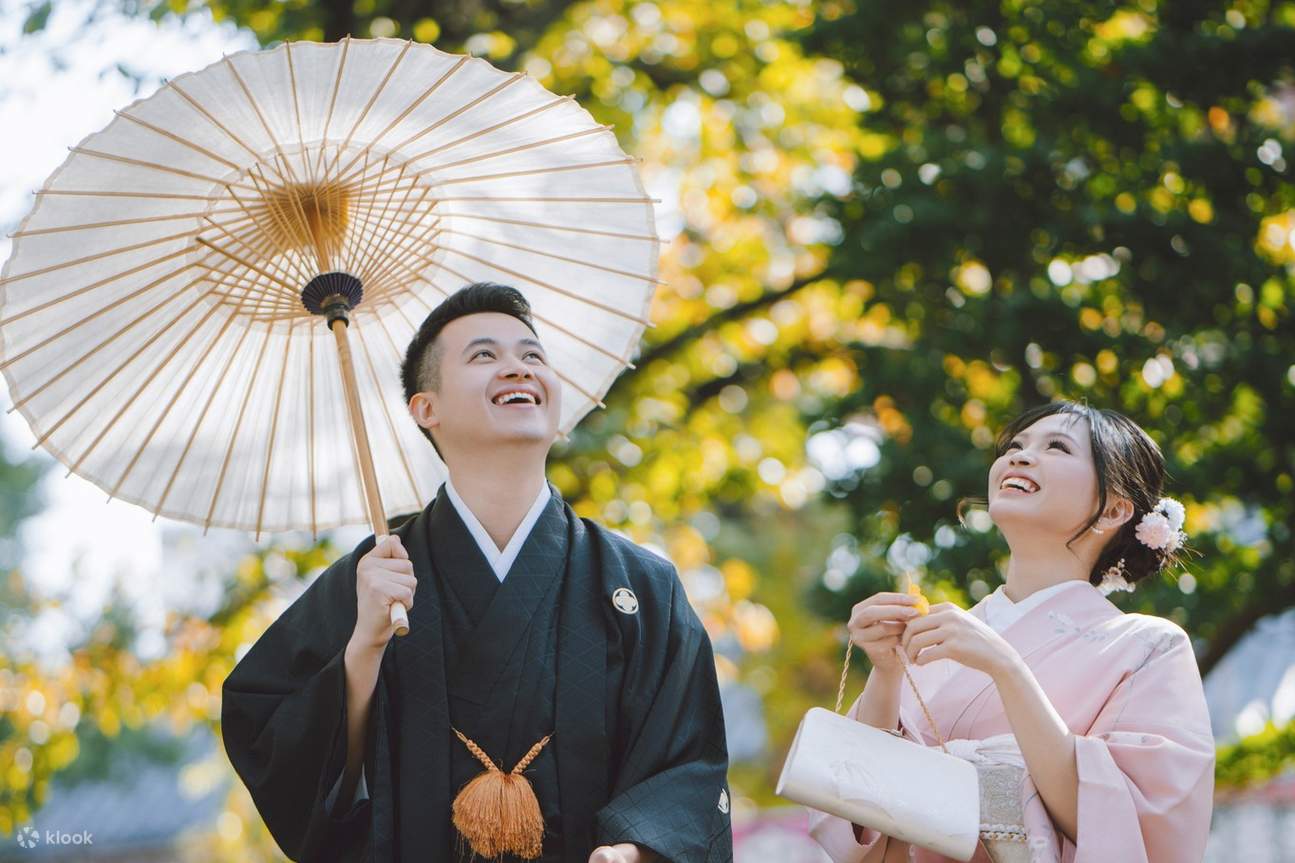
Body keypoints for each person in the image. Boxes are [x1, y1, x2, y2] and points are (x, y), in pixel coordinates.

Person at [221, 283, 732, 863]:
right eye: (485, 355)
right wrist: (363, 647)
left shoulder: (641, 587)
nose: (518, 368)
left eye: (532, 355)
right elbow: (266, 730)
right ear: (426, 408)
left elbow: (689, 762)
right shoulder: (374, 579)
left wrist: (638, 851)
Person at [811, 402, 1214, 862]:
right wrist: (885, 674)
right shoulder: (941, 636)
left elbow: (1125, 826)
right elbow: (854, 816)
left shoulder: (1148, 646)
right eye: (1016, 447)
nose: (1019, 457)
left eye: (1057, 447)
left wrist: (1006, 668)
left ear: (1113, 510)